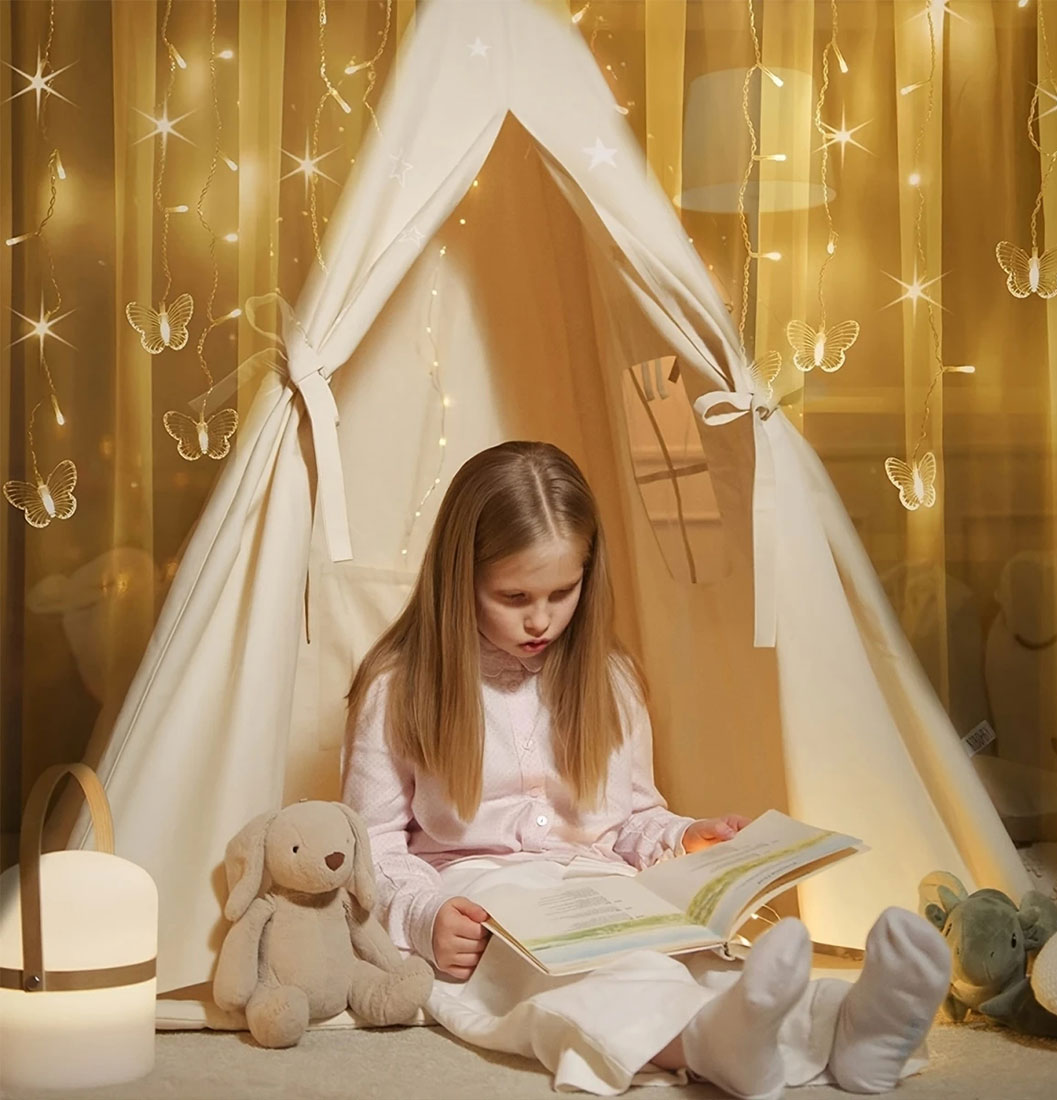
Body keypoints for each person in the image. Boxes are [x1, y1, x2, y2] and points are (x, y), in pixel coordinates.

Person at [342, 440, 951, 1098]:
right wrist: (423, 916)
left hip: (606, 887)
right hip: (487, 902)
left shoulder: (611, 680)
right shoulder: (398, 686)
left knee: (693, 960)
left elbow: (632, 815)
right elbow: (367, 845)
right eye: (514, 595)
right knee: (583, 981)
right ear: (458, 576)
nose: (541, 619)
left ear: (588, 573)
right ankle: (710, 1045)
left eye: (562, 592)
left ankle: (848, 1026)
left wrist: (682, 839)